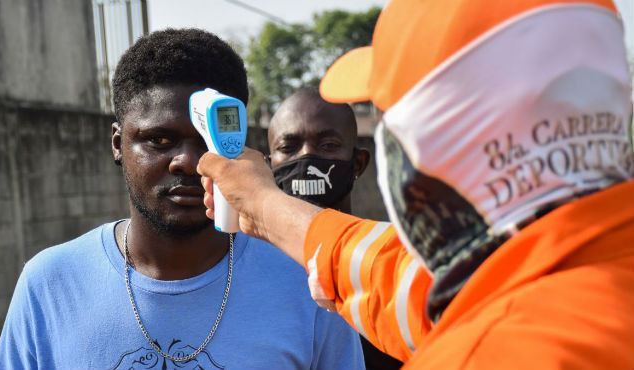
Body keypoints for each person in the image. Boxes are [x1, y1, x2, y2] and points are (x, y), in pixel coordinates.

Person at [197, 0, 634, 369]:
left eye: (387, 113)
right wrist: (262, 204)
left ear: (429, 143)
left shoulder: (477, 352)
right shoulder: (576, 264)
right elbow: (397, 278)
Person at [0, 28, 364, 370]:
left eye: (207, 140)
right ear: (118, 144)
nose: (187, 161)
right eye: (159, 140)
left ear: (236, 140)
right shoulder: (50, 283)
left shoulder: (310, 285)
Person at [268, 88, 405, 370]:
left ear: (359, 164)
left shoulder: (390, 262)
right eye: (288, 148)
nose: (307, 158)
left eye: (328, 145)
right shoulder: (245, 272)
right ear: (270, 167)